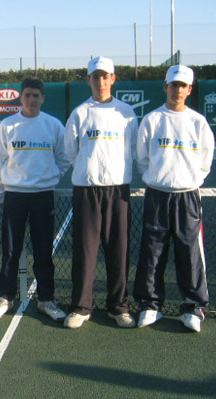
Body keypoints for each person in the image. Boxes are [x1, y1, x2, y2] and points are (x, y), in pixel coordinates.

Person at [134, 65, 214, 333]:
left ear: (189, 90)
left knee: (189, 252)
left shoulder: (198, 122)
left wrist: (188, 181)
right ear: (165, 87)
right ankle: (149, 304)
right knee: (152, 251)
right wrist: (156, 178)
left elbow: (205, 162)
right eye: (173, 84)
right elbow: (142, 157)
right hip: (157, 196)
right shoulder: (153, 120)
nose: (177, 90)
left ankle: (193, 307)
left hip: (187, 197)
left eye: (183, 85)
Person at [64, 56, 138, 329]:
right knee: (85, 251)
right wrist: (89, 170)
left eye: (105, 76)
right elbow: (70, 151)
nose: (101, 81)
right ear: (89, 80)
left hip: (118, 191)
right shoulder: (80, 113)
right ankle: (81, 306)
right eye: (96, 77)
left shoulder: (127, 112)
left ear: (113, 79)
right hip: (87, 190)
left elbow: (133, 149)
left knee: (118, 251)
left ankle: (118, 307)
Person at [0, 78, 70, 321]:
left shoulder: (53, 126)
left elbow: (63, 158)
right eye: (27, 95)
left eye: (36, 95)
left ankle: (46, 300)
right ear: (20, 98)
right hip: (14, 197)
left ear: (42, 98)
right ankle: (5, 296)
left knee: (43, 251)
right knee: (11, 251)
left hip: (43, 197)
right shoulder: (8, 125)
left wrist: (50, 177)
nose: (31, 100)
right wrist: (1, 194)